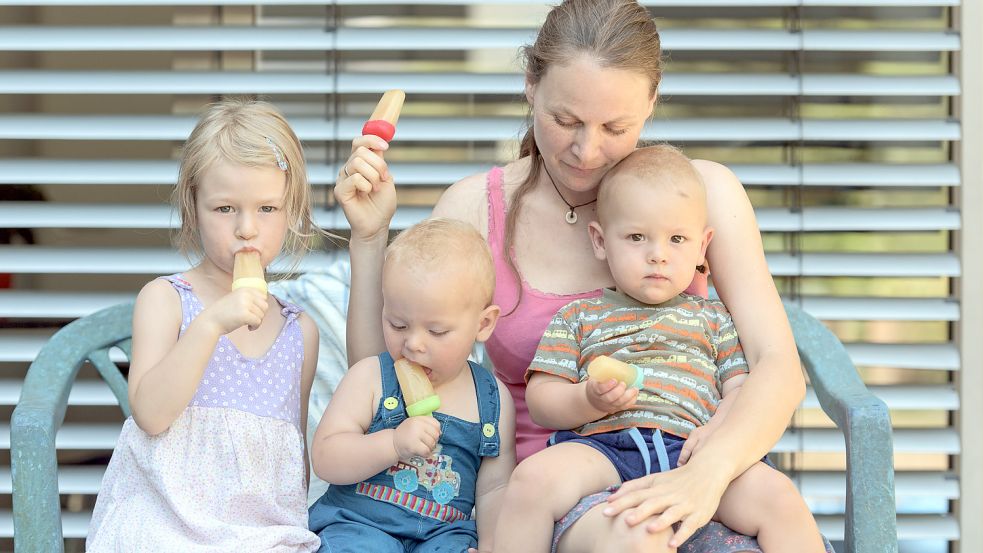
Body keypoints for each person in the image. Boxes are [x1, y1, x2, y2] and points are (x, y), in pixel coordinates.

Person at [334, 1, 807, 550]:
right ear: (531, 84)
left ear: (651, 102)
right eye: (566, 121)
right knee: (639, 535)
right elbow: (384, 385)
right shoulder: (473, 209)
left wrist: (711, 470)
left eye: (615, 127)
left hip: (701, 463)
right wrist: (370, 237)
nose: (587, 151)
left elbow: (778, 366)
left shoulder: (701, 195)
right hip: (561, 489)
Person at [494, 145, 826, 553]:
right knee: (532, 481)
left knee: (779, 497)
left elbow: (739, 389)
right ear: (600, 240)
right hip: (603, 448)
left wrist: (716, 434)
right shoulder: (578, 317)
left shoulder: (714, 319)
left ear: (702, 246)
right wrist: (587, 399)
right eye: (636, 237)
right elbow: (542, 399)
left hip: (691, 450)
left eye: (677, 239)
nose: (657, 254)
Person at [86, 99, 322, 552]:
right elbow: (151, 415)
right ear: (193, 207)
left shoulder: (299, 332)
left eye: (267, 209)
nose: (246, 228)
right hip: (164, 526)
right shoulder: (167, 300)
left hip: (263, 536)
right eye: (224, 208)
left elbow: (293, 465)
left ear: (291, 211)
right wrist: (210, 324)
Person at [307, 218, 516, 553]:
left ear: (483, 323)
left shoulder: (492, 400)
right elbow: (326, 457)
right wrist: (392, 443)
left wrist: (492, 545)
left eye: (437, 331)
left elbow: (494, 488)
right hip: (360, 524)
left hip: (443, 535)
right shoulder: (372, 376)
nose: (414, 344)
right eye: (398, 324)